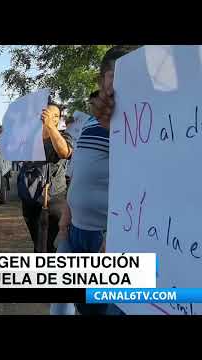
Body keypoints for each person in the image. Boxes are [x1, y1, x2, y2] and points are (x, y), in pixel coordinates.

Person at [50, 46, 135, 316]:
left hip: (108, 239)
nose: (122, 81)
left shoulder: (142, 124)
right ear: (101, 81)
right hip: (76, 233)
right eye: (115, 74)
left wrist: (117, 238)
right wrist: (65, 223)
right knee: (83, 307)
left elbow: (140, 182)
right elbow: (77, 175)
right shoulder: (88, 123)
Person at [0, 102, 73, 253]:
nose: (52, 118)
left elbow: (64, 153)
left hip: (53, 199)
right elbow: (13, 152)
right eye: (48, 115)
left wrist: (51, 128)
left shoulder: (64, 136)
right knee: (38, 242)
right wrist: (4, 135)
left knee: (50, 242)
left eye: (56, 116)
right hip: (30, 198)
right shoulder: (29, 139)